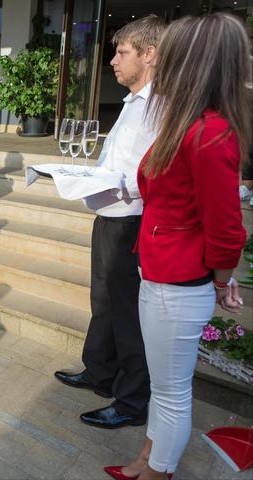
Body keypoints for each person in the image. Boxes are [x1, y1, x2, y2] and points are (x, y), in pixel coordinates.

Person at [105, 13, 250, 480]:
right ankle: (147, 459)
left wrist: (223, 281)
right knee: (165, 386)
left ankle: (157, 471)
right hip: (161, 271)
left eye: (172, 55)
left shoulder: (211, 133)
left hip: (178, 281)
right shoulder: (188, 122)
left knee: (170, 392)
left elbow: (226, 229)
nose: (161, 63)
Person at [54, 15, 166, 429]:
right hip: (108, 217)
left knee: (128, 314)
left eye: (121, 53)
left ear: (149, 54)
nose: (113, 61)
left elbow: (154, 172)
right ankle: (100, 372)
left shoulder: (161, 106)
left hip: (132, 224)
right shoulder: (132, 101)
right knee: (102, 301)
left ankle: (132, 402)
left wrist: (104, 182)